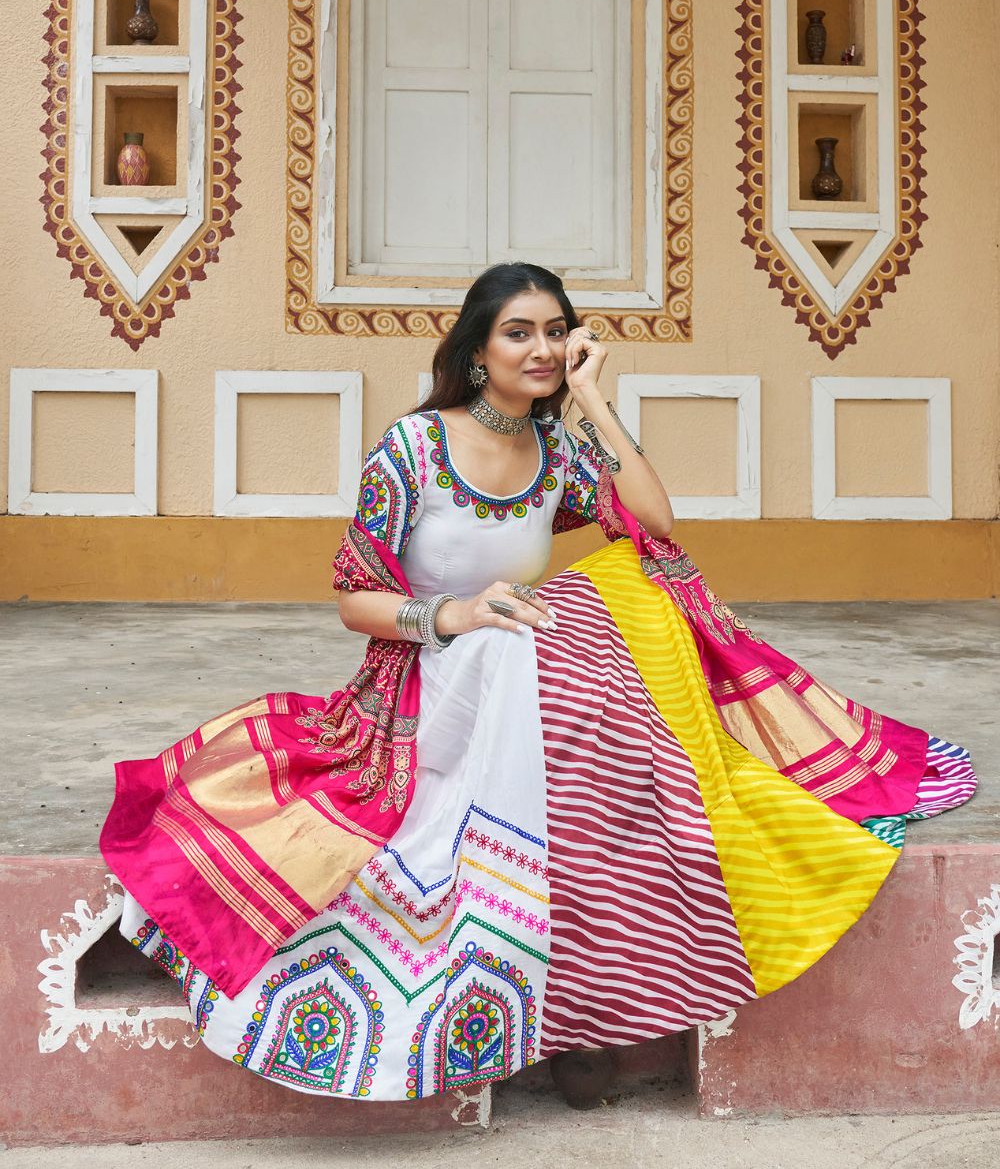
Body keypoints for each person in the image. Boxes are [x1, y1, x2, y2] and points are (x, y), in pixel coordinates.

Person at [101, 262, 976, 1106]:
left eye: (557, 332)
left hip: (529, 673)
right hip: (428, 677)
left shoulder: (556, 448)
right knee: (525, 639)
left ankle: (596, 972)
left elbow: (657, 522)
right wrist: (456, 613)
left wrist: (591, 398)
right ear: (477, 349)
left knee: (636, 577)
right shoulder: (413, 448)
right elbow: (353, 599)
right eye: (519, 333)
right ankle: (570, 998)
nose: (544, 349)